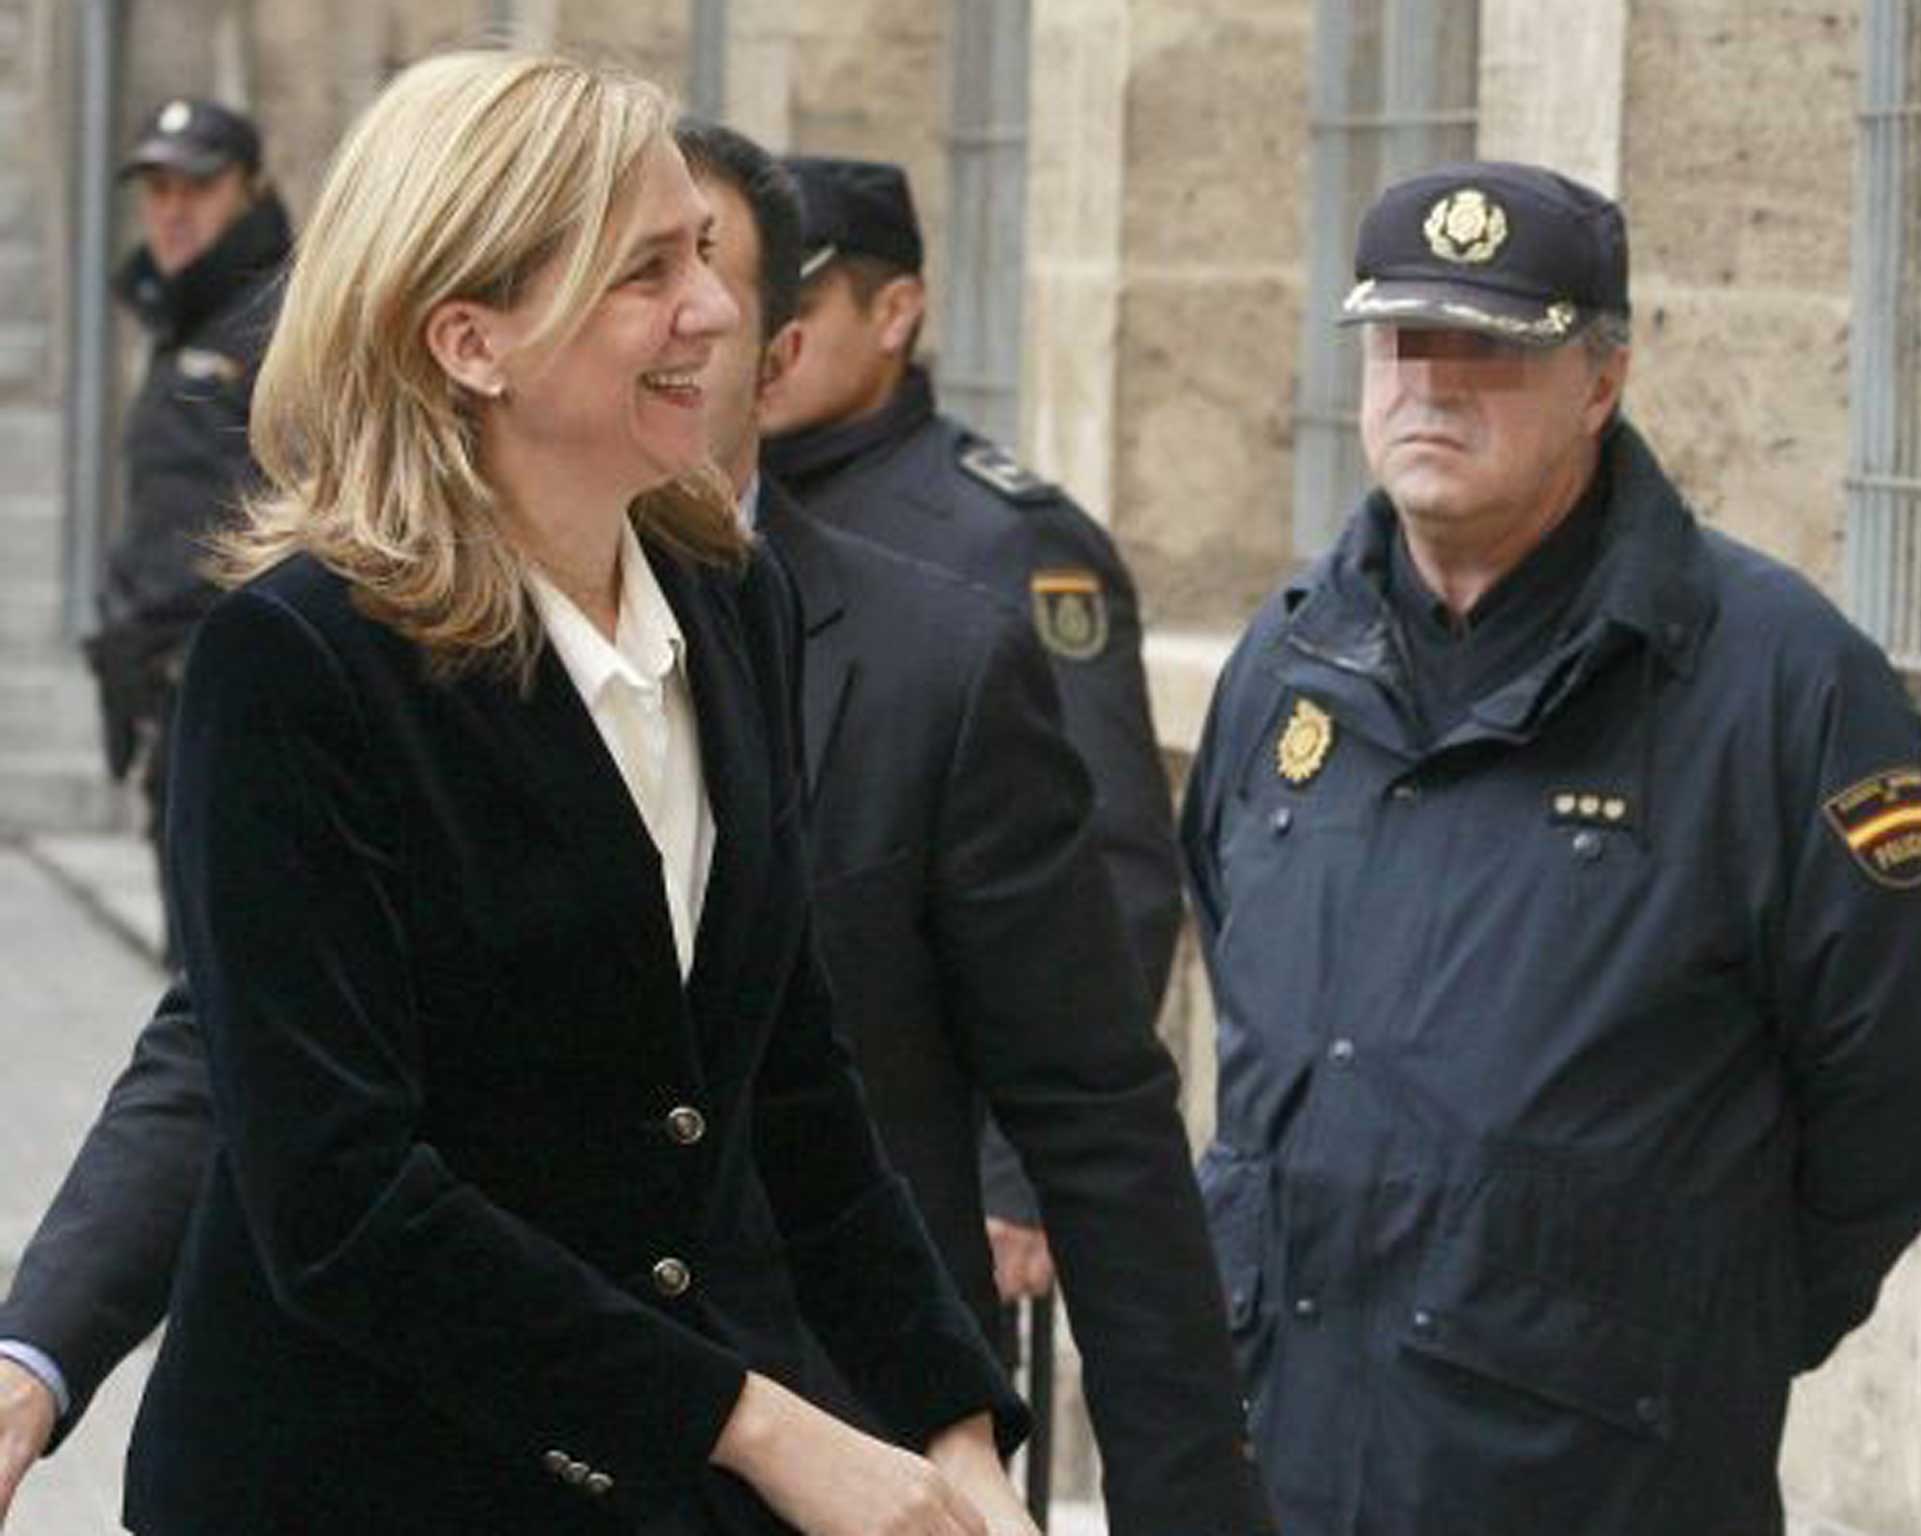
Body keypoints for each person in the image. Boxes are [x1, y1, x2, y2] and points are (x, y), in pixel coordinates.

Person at [0, 115, 1269, 1536]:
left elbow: (792, 1072)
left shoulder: (726, 600)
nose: (717, 311)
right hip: (358, 1485)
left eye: (707, 258)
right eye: (645, 271)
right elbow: (334, 1194)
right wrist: (764, 1429)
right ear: (472, 341)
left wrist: (947, 1421)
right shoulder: (296, 663)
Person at [1180, 161, 1921, 1535]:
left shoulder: (1776, 683)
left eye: (1489, 350)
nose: (1432, 387)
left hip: (1597, 1480)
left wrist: (1700, 1326)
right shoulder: (1290, 658)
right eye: (1400, 341)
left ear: (1601, 382)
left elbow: (1908, 1080)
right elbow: (1240, 979)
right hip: (1283, 1462)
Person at [759, 155, 1181, 1308]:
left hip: (917, 1151)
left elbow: (1109, 868)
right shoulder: (706, 507)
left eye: (795, 307)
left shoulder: (1002, 539)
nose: (761, 342)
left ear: (894, 312)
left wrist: (1017, 1176)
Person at [86, 97, 290, 965]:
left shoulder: (277, 320)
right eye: (157, 189)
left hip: (238, 703)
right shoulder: (183, 316)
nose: (172, 212)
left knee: (228, 981)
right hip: (176, 696)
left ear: (251, 191)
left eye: (197, 188)